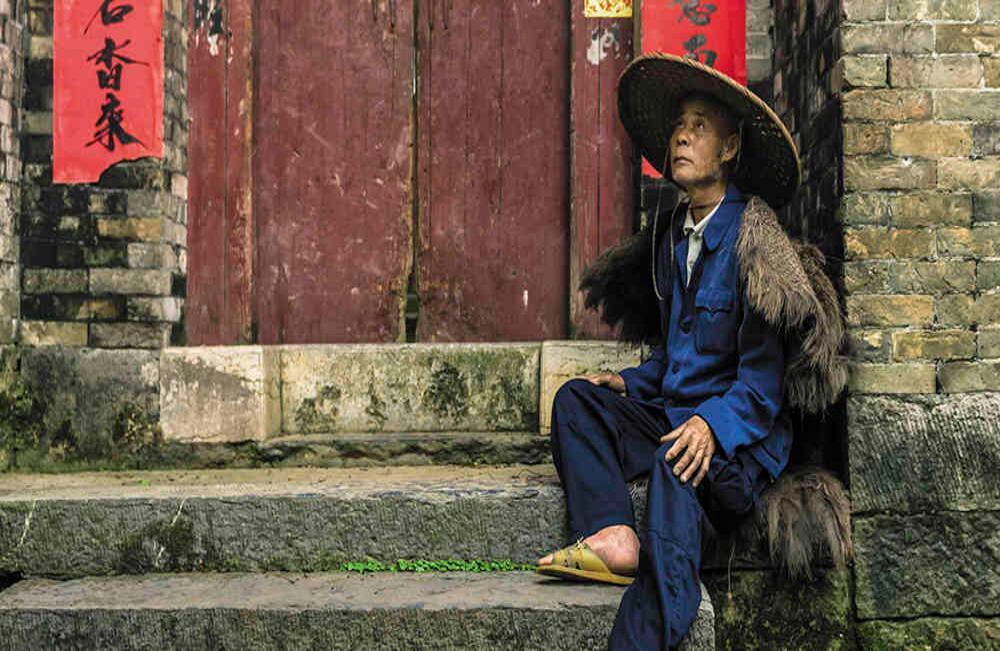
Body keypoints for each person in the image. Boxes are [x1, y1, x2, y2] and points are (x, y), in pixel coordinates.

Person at [536, 52, 816, 649]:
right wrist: (631, 385)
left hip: (737, 445)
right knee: (576, 403)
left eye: (699, 126)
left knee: (674, 466)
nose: (682, 136)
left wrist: (711, 427)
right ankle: (613, 535)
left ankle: (644, 634)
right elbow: (675, 354)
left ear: (730, 149)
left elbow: (761, 389)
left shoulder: (752, 240)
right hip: (670, 413)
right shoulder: (671, 235)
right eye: (678, 126)